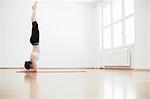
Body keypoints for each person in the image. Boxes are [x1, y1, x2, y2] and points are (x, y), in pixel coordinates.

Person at [24, 1, 40, 72]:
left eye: (30, 67)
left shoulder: (33, 61)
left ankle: (34, 9)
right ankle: (34, 9)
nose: (31, 67)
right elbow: (34, 69)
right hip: (34, 42)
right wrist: (28, 69)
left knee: (34, 24)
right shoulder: (32, 60)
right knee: (34, 24)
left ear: (30, 65)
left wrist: (28, 70)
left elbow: (35, 70)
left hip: (35, 41)